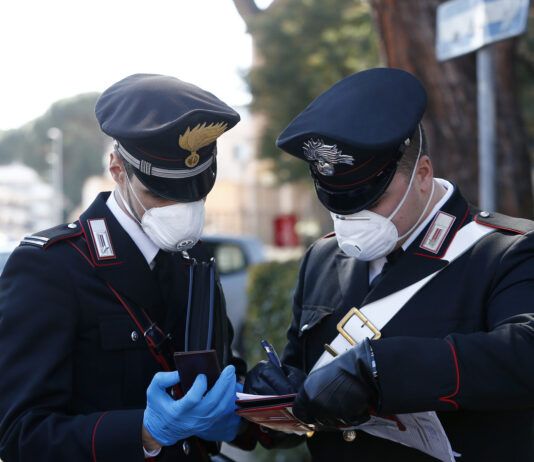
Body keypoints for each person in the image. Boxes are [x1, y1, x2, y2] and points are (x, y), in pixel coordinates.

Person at [245, 68, 534, 461]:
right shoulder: (323, 257)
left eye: (370, 199)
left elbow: (523, 354)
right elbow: (305, 375)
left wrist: (383, 369)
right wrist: (278, 401)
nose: (352, 219)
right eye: (337, 203)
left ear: (423, 174)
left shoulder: (504, 251)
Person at [0, 74, 250, 461]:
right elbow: (20, 436)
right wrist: (145, 433)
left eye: (196, 192)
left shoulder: (194, 259)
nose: (180, 211)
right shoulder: (49, 267)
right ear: (117, 168)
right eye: (159, 192)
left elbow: (220, 370)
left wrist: (253, 412)